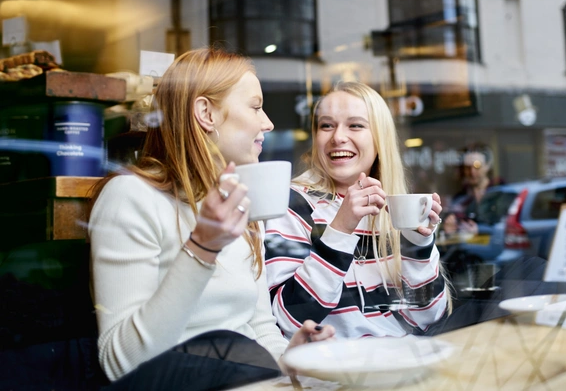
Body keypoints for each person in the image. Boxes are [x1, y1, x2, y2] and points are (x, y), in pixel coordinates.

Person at [88, 48, 333, 390]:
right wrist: (202, 248)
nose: (268, 123)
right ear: (206, 113)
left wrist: (290, 361)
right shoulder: (130, 197)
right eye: (256, 106)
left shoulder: (242, 204)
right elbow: (122, 364)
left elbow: (259, 328)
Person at [264, 82, 449, 340]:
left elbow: (427, 315)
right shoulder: (291, 204)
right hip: (329, 371)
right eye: (326, 125)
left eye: (355, 125)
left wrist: (418, 243)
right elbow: (286, 320)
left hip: (398, 362)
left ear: (378, 138)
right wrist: (341, 228)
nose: (338, 137)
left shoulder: (391, 208)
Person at [440, 145, 496, 241]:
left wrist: (480, 230)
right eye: (467, 167)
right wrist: (449, 229)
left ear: (487, 166)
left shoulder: (499, 194)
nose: (472, 172)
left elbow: (508, 226)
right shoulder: (459, 199)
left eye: (477, 166)